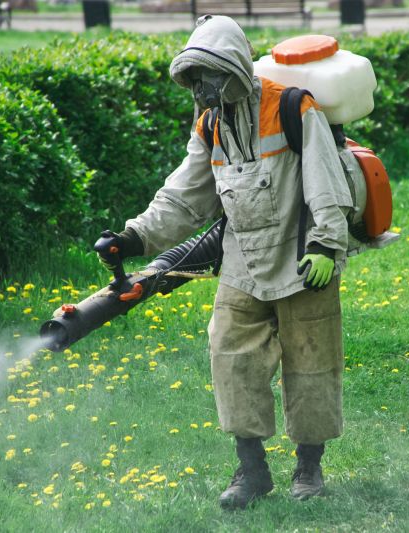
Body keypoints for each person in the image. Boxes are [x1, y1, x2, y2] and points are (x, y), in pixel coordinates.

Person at [97, 15, 352, 510]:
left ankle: (309, 466)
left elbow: (327, 180)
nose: (203, 89)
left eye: (210, 77)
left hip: (301, 257)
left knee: (312, 363)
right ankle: (253, 471)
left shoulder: (293, 108)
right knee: (230, 357)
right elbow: (185, 196)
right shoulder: (210, 124)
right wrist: (135, 237)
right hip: (242, 260)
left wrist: (325, 244)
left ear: (235, 69)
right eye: (195, 80)